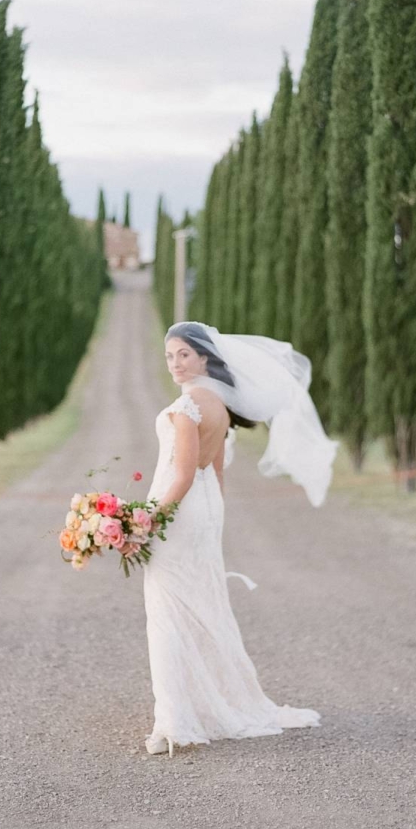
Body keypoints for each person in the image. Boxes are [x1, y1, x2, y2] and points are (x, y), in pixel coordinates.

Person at [142, 321, 337, 756]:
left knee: (169, 609)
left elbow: (185, 474)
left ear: (204, 357)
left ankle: (175, 719)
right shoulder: (217, 405)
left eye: (184, 355)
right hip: (203, 512)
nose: (175, 363)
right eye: (170, 356)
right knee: (201, 604)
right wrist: (214, 522)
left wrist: (149, 519)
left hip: (178, 511)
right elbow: (215, 473)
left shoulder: (187, 407)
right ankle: (200, 703)